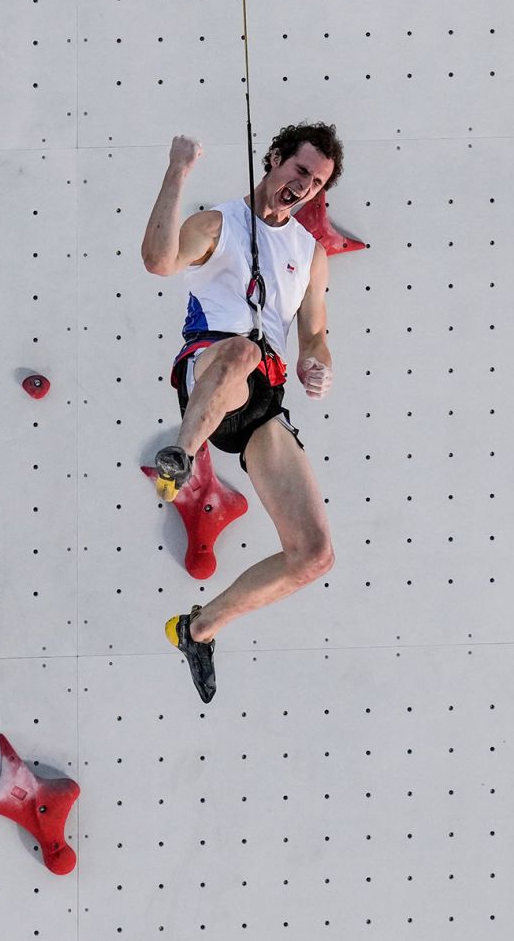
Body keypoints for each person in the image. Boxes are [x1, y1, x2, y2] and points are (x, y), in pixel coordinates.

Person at [139, 123, 344, 702]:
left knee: (313, 554)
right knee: (243, 350)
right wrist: (176, 173)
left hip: (263, 399)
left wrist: (316, 366)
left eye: (316, 184)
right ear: (274, 158)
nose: (303, 187)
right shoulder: (220, 224)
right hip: (211, 367)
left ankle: (198, 629)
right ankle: (182, 453)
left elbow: (315, 336)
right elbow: (158, 261)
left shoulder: (310, 254)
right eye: (299, 171)